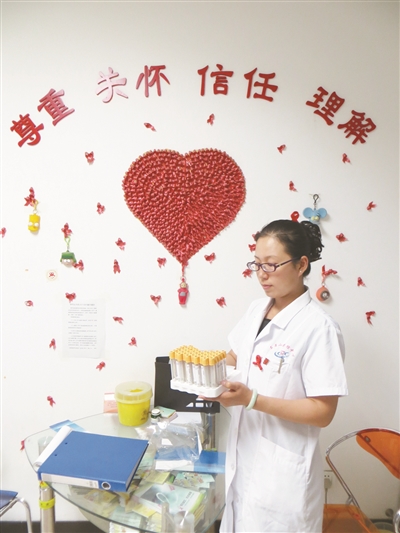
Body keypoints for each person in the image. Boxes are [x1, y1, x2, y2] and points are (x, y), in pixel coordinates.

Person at [208, 219, 348, 533]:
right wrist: (206, 377)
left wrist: (251, 399)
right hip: (244, 455)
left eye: (271, 265)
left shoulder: (319, 328)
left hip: (283, 476)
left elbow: (323, 412)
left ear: (301, 265)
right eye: (257, 264)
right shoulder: (256, 310)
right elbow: (235, 356)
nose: (262, 274)